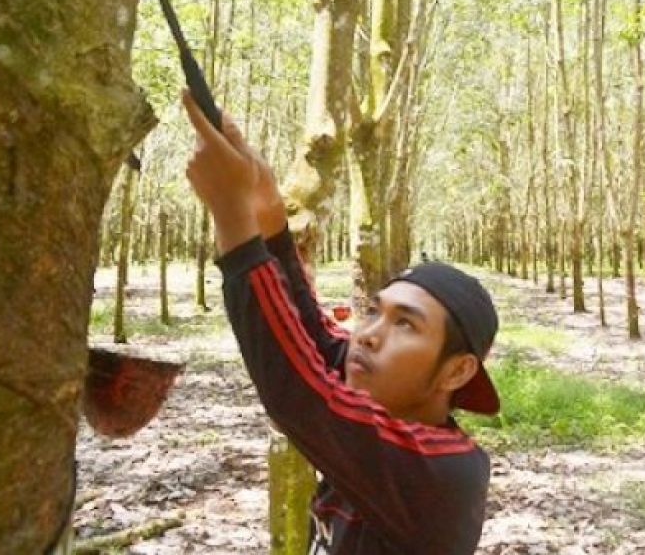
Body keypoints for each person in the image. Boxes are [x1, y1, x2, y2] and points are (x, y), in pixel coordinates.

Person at [180, 90, 500, 554]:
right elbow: (314, 337)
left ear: (457, 370)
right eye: (376, 311)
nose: (369, 335)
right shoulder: (384, 397)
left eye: (406, 325)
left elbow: (303, 395)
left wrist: (232, 213)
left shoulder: (447, 473)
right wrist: (266, 212)